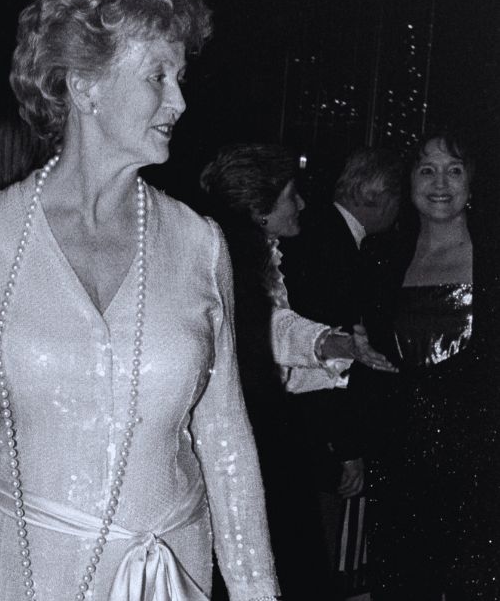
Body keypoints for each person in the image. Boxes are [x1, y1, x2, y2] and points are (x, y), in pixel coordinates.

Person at [0, 0, 280, 601]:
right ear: (84, 86)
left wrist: (257, 592)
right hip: (12, 574)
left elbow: (225, 437)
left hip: (165, 576)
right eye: (158, 76)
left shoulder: (199, 245)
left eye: (179, 77)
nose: (178, 100)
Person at [198, 143, 394, 600]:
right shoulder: (222, 261)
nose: (303, 203)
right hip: (240, 440)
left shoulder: (262, 259)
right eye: (292, 195)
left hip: (265, 434)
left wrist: (338, 344)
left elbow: (276, 336)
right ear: (261, 210)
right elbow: (267, 334)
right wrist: (333, 345)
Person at [357, 131, 500, 599]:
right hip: (400, 455)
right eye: (427, 169)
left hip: (479, 461)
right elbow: (370, 358)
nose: (440, 182)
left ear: (472, 184)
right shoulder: (379, 257)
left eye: (454, 170)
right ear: (410, 181)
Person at [277, 145, 404, 597]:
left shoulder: (320, 234)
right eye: (397, 195)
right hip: (315, 435)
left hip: (306, 428)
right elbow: (330, 361)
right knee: (311, 559)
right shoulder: (331, 245)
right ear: (377, 194)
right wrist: (346, 448)